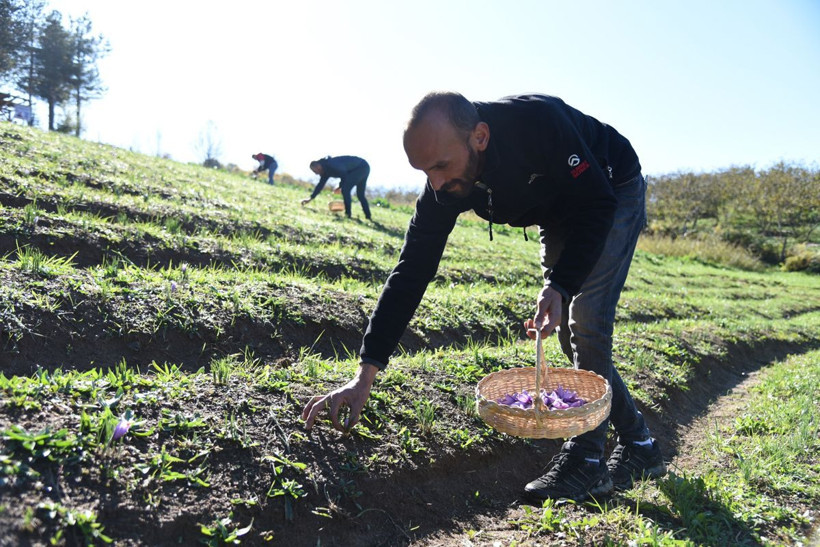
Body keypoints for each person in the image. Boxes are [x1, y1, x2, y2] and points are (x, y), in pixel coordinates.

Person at [301, 92, 667, 503]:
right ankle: (640, 445)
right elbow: (411, 272)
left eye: (441, 166)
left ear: (480, 136)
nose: (436, 184)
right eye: (425, 172)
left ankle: (587, 458)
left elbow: (597, 203)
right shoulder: (444, 185)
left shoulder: (538, 122)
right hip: (557, 211)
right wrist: (363, 376)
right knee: (571, 340)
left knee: (587, 322)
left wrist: (561, 286)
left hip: (610, 189)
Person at [301, 155, 372, 220]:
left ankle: (348, 215)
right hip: (364, 167)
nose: (316, 173)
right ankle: (368, 216)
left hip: (360, 167)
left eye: (315, 171)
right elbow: (320, 185)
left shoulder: (331, 164)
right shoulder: (325, 171)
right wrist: (311, 198)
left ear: (318, 166)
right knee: (360, 194)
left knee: (345, 190)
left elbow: (344, 174)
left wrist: (340, 187)